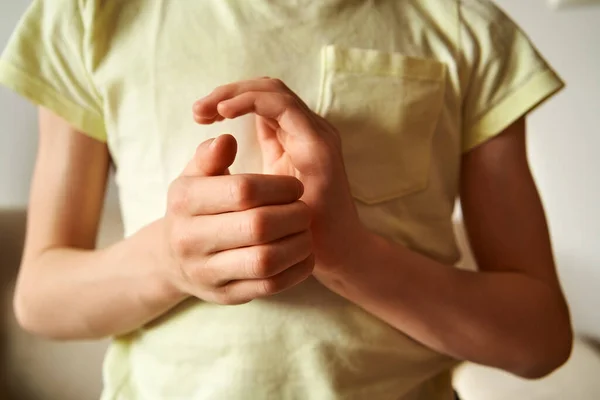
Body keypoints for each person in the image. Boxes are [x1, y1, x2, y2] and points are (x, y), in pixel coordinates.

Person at [0, 0, 573, 399]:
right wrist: (167, 260)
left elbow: (539, 340)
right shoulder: (89, 17)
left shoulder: (470, 32)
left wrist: (349, 255)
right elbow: (41, 299)